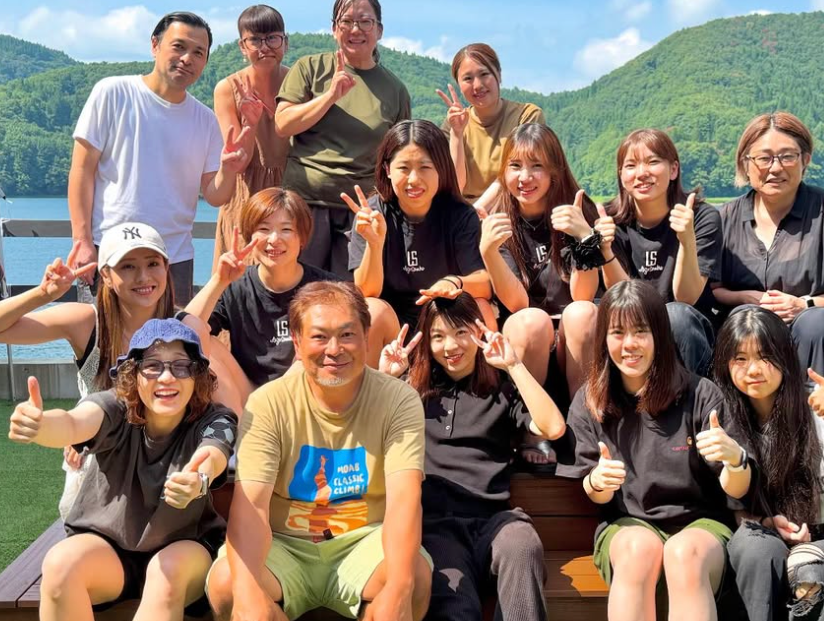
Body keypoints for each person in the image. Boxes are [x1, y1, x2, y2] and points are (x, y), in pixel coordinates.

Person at [206, 281, 432, 621]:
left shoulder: (398, 400)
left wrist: (400, 589)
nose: (334, 349)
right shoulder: (268, 403)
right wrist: (248, 594)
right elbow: (251, 505)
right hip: (284, 544)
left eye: (347, 335)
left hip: (364, 540)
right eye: (319, 337)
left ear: (366, 335)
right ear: (296, 343)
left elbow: (404, 499)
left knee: (412, 578)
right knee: (228, 585)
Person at [8, 318, 237, 620]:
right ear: (133, 374)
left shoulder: (215, 418)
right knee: (60, 565)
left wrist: (198, 479)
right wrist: (41, 425)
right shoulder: (114, 409)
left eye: (181, 366)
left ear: (197, 376)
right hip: (109, 549)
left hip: (185, 547)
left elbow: (214, 453)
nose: (167, 377)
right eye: (153, 366)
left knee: (165, 575)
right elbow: (75, 423)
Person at [557, 280, 751, 621]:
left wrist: (735, 459)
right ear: (603, 339)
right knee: (638, 549)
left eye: (640, 331)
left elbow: (738, 489)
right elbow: (592, 491)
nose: (629, 344)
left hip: (701, 526)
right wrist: (598, 481)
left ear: (659, 335)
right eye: (617, 333)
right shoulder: (590, 400)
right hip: (627, 524)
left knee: (682, 553)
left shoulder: (701, 394)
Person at [378, 293, 565, 621]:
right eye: (438, 336)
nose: (450, 346)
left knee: (523, 545)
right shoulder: (410, 394)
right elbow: (368, 438)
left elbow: (553, 427)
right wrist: (386, 380)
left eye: (460, 332)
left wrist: (513, 366)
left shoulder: (500, 390)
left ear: (477, 334)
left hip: (493, 520)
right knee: (453, 605)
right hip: (437, 526)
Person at [68, 11, 250, 305]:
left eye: (198, 53)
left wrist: (229, 169)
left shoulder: (205, 120)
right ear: (155, 45)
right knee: (100, 344)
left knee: (168, 348)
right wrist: (82, 241)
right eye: (179, 46)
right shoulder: (113, 92)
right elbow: (81, 170)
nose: (188, 58)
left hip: (173, 256)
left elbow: (216, 196)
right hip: (111, 250)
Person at [0, 222, 175, 516]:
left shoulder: (181, 327)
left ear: (166, 267)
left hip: (161, 462)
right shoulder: (88, 322)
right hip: (96, 463)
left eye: (153, 263)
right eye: (127, 266)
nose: (143, 277)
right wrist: (42, 294)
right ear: (106, 274)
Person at [714, 307, 824, 621]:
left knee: (809, 564)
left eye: (765, 356)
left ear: (785, 356)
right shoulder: (722, 420)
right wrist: (766, 523)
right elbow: (730, 508)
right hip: (766, 533)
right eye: (740, 358)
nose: (753, 370)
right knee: (753, 549)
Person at [275, 0, 411, 276]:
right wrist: (329, 96)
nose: (355, 29)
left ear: (380, 30)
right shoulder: (310, 68)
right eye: (346, 21)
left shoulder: (395, 90)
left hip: (361, 210)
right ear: (334, 29)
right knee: (297, 290)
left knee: (350, 294)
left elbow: (401, 156)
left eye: (365, 21)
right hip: (305, 202)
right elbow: (283, 123)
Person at [714, 111, 824, 382]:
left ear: (805, 160)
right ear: (746, 163)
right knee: (747, 320)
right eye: (764, 158)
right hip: (750, 334)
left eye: (787, 156)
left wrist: (808, 304)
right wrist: (748, 298)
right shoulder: (724, 219)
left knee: (817, 323)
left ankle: (819, 420)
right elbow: (713, 289)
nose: (775, 167)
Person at [186, 187, 341, 400]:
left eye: (286, 229)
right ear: (250, 236)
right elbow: (183, 331)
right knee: (203, 339)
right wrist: (219, 281)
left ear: (302, 238)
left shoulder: (325, 288)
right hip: (249, 392)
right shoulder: (236, 285)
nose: (274, 239)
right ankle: (238, 426)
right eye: (264, 229)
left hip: (306, 391)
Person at [481, 122, 600, 399]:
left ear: (554, 171)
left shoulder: (577, 211)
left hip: (575, 335)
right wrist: (489, 252)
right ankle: (529, 426)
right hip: (525, 337)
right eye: (515, 166)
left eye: (536, 166)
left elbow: (583, 295)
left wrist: (584, 238)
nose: (525, 177)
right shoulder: (498, 220)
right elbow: (517, 304)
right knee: (531, 320)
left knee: (582, 313)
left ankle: (585, 423)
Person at [347, 119, 492, 337]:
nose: (414, 180)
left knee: (482, 307)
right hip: (393, 321)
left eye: (425, 167)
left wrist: (453, 282)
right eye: (403, 168)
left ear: (441, 169)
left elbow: (484, 284)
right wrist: (374, 245)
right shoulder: (372, 215)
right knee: (371, 310)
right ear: (387, 169)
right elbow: (367, 292)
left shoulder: (459, 214)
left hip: (445, 315)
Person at [596, 128, 721, 375]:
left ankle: (695, 407)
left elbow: (687, 298)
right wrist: (605, 250)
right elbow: (622, 297)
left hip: (689, 328)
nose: (642, 173)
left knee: (676, 315)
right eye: (630, 165)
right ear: (621, 175)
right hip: (632, 323)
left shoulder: (701, 216)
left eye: (653, 162)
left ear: (673, 169)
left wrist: (687, 239)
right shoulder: (610, 221)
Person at [213, 4, 291, 267]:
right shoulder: (227, 88)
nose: (265, 47)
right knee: (240, 280)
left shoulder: (298, 83)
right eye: (255, 40)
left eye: (272, 38)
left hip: (289, 194)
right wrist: (250, 122)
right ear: (242, 46)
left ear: (285, 42)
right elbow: (239, 160)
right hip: (247, 197)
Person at [437, 43, 545, 213]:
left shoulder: (527, 116)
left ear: (499, 75)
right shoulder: (454, 123)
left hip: (512, 211)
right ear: (459, 84)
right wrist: (457, 134)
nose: (477, 85)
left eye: (484, 74)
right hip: (465, 214)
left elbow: (515, 174)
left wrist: (477, 211)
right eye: (468, 78)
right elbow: (455, 185)